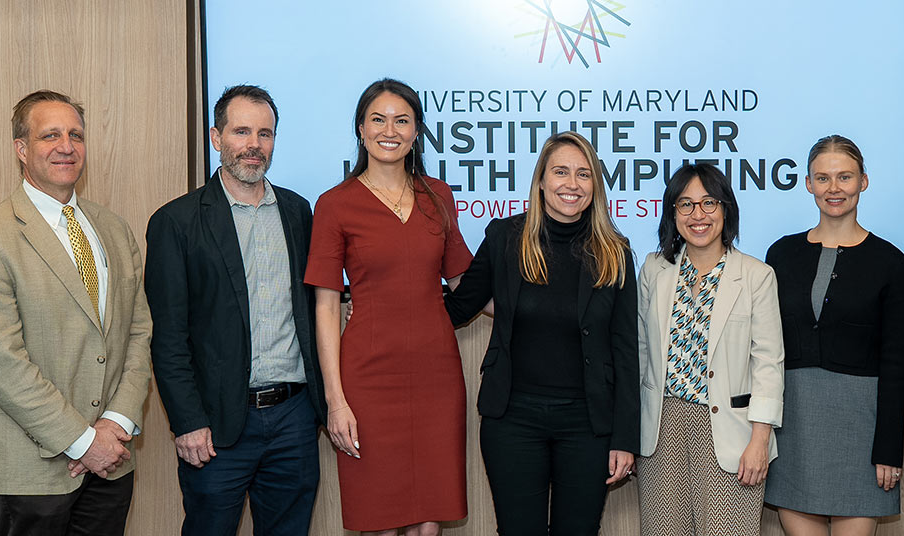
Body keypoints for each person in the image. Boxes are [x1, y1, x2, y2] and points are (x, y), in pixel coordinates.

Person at [0, 90, 152, 536]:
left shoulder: (114, 230)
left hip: (111, 466)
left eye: (76, 135)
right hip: (30, 470)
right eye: (50, 135)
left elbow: (138, 334)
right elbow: (2, 365)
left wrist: (114, 425)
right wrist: (84, 441)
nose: (67, 146)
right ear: (22, 149)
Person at [146, 84, 326, 535]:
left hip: (294, 419)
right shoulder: (176, 222)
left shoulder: (298, 212)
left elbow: (310, 308)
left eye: (265, 134)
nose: (254, 145)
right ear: (215, 137)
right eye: (241, 131)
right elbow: (168, 336)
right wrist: (187, 422)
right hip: (217, 426)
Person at [443, 131, 638, 535]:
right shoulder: (505, 238)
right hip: (513, 420)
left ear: (595, 186)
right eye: (561, 172)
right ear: (541, 181)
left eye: (584, 174)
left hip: (588, 425)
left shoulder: (615, 252)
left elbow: (625, 351)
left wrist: (625, 437)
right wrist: (385, 307)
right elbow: (458, 307)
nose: (572, 184)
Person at [304, 78, 471, 535]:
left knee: (429, 520)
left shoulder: (439, 196)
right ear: (360, 129)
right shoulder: (335, 205)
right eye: (378, 119)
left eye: (402, 120)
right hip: (367, 382)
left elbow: (463, 283)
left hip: (437, 378)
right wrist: (335, 401)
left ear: (417, 132)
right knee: (378, 520)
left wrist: (539, 295)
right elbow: (325, 307)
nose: (389, 130)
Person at [764, 135, 904, 536]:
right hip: (793, 428)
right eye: (823, 178)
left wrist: (889, 450)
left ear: (863, 181)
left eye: (844, 177)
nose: (834, 188)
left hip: (861, 433)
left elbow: (897, 364)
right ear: (808, 183)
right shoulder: (779, 255)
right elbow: (765, 353)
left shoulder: (892, 262)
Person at [636, 163, 785, 536]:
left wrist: (760, 441)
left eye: (708, 203)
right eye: (685, 205)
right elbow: (639, 352)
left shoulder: (756, 275)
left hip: (731, 432)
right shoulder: (654, 269)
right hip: (661, 430)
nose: (697, 215)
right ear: (673, 213)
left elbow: (769, 363)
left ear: (726, 209)